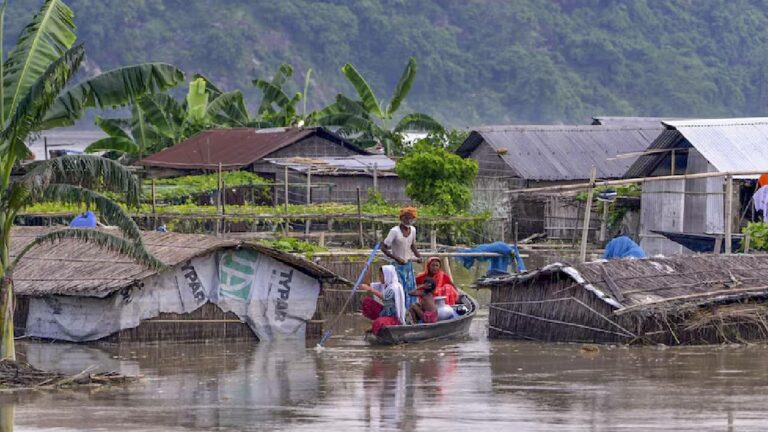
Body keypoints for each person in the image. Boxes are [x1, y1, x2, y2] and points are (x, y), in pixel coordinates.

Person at [382, 207, 422, 308]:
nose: (409, 220)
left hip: (408, 265)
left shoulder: (413, 230)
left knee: (410, 288)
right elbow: (384, 248)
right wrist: (396, 258)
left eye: (411, 218)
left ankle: (410, 310)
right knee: (399, 289)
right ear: (401, 218)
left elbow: (412, 245)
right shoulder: (394, 231)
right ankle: (399, 311)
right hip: (397, 266)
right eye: (406, 218)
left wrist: (418, 256)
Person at [360, 265, 406, 335]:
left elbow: (385, 297)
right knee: (367, 302)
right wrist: (367, 271)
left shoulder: (395, 287)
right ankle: (380, 322)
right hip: (385, 313)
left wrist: (370, 289)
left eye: (381, 276)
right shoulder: (384, 284)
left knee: (378, 322)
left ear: (387, 276)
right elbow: (367, 284)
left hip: (394, 317)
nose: (379, 278)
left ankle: (378, 324)